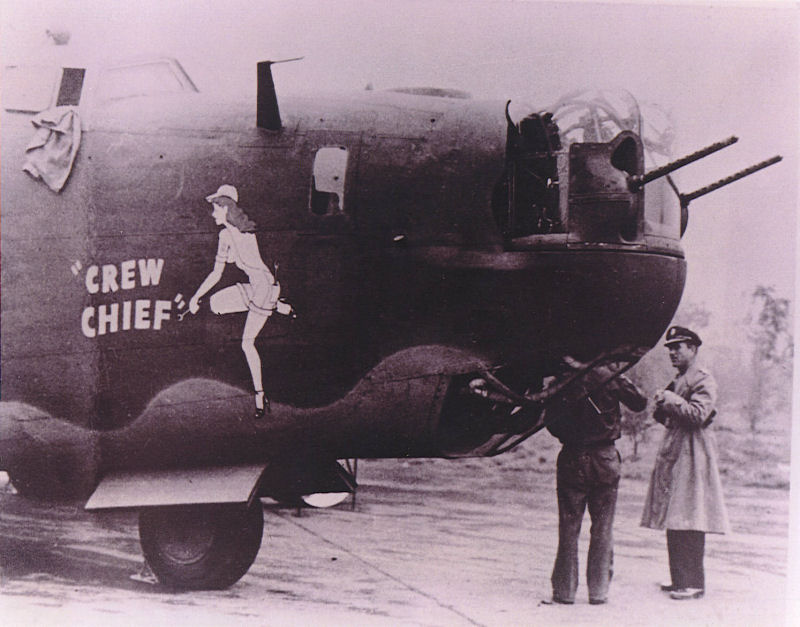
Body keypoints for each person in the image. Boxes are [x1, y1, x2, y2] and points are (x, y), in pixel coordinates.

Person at [545, 357, 647, 605]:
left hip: (572, 455)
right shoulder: (610, 374)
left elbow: (551, 423)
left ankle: (564, 592)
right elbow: (640, 402)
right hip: (605, 457)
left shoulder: (562, 379)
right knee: (603, 527)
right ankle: (598, 591)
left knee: (569, 527)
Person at [640, 325, 730, 600]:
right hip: (676, 454)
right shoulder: (679, 380)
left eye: (678, 347)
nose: (672, 353)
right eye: (670, 348)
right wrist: (662, 404)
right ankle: (679, 579)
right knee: (675, 517)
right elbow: (668, 417)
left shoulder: (703, 380)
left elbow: (697, 415)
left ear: (693, 349)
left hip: (693, 456)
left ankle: (693, 583)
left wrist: (671, 399)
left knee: (691, 517)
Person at [188, 184, 292, 419]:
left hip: (264, 288)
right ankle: (278, 307)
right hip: (256, 288)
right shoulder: (224, 236)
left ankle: (259, 396)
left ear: (226, 208)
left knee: (247, 343)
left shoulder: (245, 235)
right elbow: (216, 273)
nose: (212, 213)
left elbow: (257, 268)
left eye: (215, 208)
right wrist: (196, 297)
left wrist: (270, 298)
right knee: (214, 304)